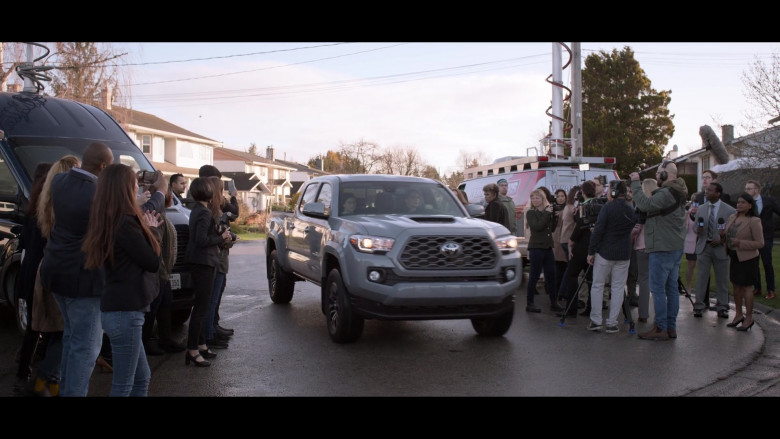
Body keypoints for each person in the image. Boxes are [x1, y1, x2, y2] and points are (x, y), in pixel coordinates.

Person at [38, 142, 114, 396]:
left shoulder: (59, 182)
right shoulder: (97, 195)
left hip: (55, 271)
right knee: (87, 348)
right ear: (102, 167)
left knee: (72, 338)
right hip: (83, 279)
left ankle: (68, 389)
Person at [82, 163, 162, 396]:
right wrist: (154, 230)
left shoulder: (107, 219)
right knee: (124, 384)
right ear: (124, 188)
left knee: (141, 378)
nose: (138, 188)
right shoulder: (125, 224)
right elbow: (152, 262)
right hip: (125, 312)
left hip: (119, 310)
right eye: (135, 184)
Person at [629, 160, 688, 341]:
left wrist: (636, 183)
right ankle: (670, 327)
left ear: (664, 174)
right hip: (674, 246)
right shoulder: (678, 191)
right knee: (671, 289)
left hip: (663, 247)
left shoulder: (668, 192)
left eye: (658, 174)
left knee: (658, 289)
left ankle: (660, 327)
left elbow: (645, 205)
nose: (656, 177)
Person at [13, 162, 53, 395]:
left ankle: (23, 371)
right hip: (42, 270)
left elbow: (26, 243)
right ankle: (39, 377)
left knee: (33, 327)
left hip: (29, 269)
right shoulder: (47, 209)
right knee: (47, 326)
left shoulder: (31, 207)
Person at [184, 177, 232, 367]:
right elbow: (201, 239)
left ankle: (202, 344)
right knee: (201, 308)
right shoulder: (203, 213)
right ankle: (193, 349)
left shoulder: (197, 210)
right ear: (208, 193)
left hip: (200, 262)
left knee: (202, 306)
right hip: (203, 263)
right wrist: (220, 237)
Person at [585, 180, 637, 333]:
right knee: (618, 287)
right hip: (624, 254)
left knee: (598, 285)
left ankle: (596, 320)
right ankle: (612, 322)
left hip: (605, 253)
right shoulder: (630, 210)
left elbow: (599, 231)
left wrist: (591, 251)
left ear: (613, 192)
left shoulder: (607, 208)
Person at [142, 184, 186, 355]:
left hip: (165, 270)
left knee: (165, 305)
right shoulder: (155, 216)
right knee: (152, 309)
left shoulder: (165, 215)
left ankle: (165, 339)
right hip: (159, 271)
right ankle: (146, 343)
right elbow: (157, 243)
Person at [198, 165, 238, 339]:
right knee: (210, 299)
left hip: (219, 256)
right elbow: (205, 238)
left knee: (216, 295)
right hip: (214, 258)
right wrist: (224, 238)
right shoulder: (207, 211)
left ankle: (212, 327)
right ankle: (208, 335)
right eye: (220, 188)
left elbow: (234, 213)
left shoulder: (215, 208)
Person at [692, 182, 736, 319]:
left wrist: (723, 240)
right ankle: (699, 305)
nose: (706, 191)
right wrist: (698, 230)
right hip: (704, 247)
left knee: (722, 279)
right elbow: (694, 227)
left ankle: (722, 307)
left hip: (721, 248)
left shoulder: (729, 211)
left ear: (718, 193)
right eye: (706, 189)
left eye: (710, 190)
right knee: (701, 277)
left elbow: (734, 231)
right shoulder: (702, 208)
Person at [724, 192, 764, 332]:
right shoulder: (732, 217)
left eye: (743, 202)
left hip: (748, 258)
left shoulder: (754, 221)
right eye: (738, 202)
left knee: (747, 287)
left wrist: (741, 243)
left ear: (750, 205)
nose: (739, 204)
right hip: (734, 256)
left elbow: (760, 243)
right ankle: (738, 314)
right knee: (736, 287)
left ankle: (749, 318)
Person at [557, 181, 598, 318]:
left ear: (583, 193)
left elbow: (580, 226)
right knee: (592, 280)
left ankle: (571, 308)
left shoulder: (584, 206)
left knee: (571, 275)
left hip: (581, 246)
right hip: (594, 247)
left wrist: (571, 242)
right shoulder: (599, 205)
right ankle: (591, 308)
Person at [745, 180, 780, 299]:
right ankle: (757, 287)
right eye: (746, 189)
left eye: (749, 188)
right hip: (751, 237)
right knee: (754, 263)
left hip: (766, 236)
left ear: (757, 190)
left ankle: (771, 290)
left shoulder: (769, 201)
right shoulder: (745, 202)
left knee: (767, 263)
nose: (747, 191)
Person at [525, 188, 558, 313]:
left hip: (547, 247)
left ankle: (554, 302)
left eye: (537, 198)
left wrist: (554, 216)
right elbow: (537, 226)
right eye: (533, 198)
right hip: (536, 247)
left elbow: (552, 228)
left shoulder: (547, 212)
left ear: (542, 199)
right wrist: (547, 214)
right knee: (534, 275)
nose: (535, 200)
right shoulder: (531, 213)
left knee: (551, 275)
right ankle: (530, 303)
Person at [631, 179, 657, 323]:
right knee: (658, 281)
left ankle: (643, 313)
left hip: (642, 245)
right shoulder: (660, 203)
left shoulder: (641, 206)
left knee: (643, 280)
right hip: (657, 245)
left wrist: (632, 235)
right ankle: (660, 315)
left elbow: (638, 226)